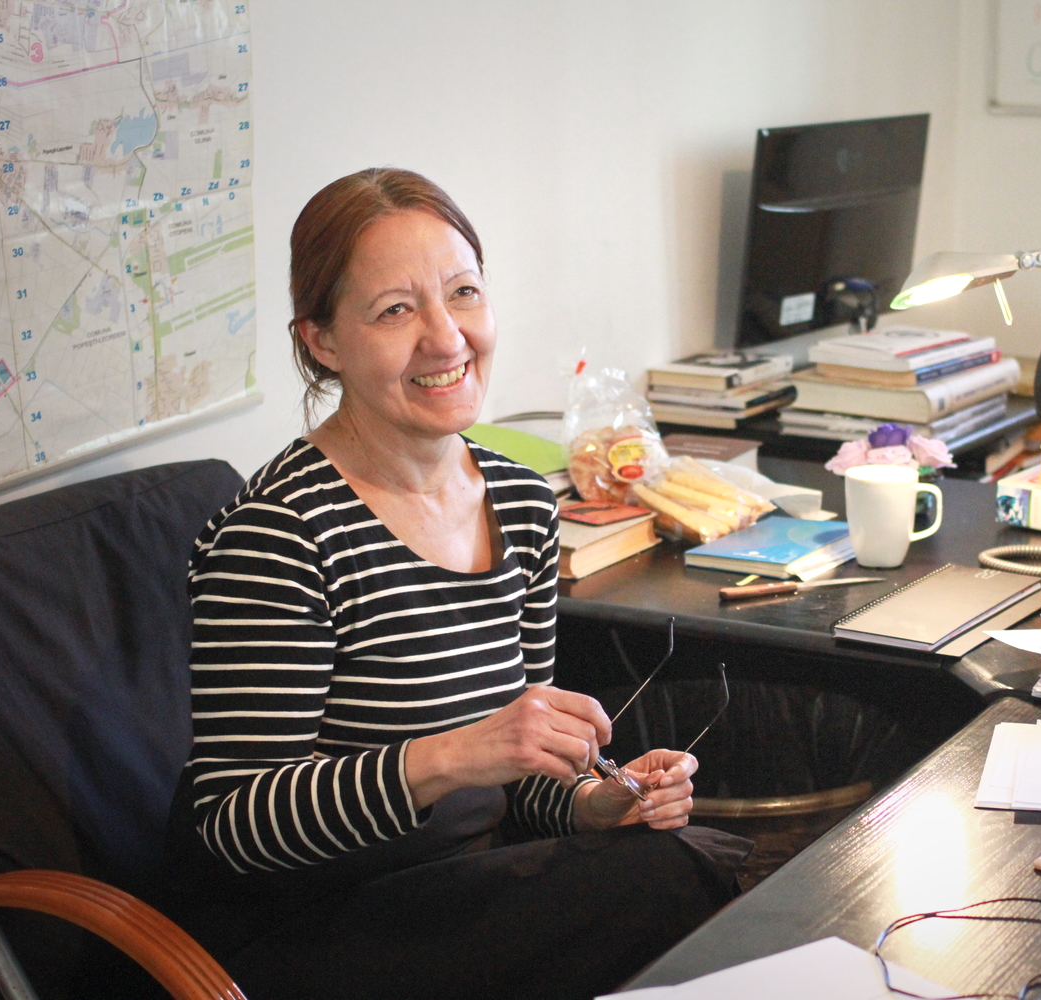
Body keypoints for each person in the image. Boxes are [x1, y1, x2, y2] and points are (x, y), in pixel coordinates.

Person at [160, 167, 749, 1000]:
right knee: (678, 881)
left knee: (679, 859)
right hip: (309, 922)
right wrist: (449, 757)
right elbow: (237, 829)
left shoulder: (519, 501)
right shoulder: (281, 535)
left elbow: (520, 780)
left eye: (463, 293)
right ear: (323, 342)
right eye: (395, 310)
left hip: (464, 885)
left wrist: (593, 802)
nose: (446, 338)